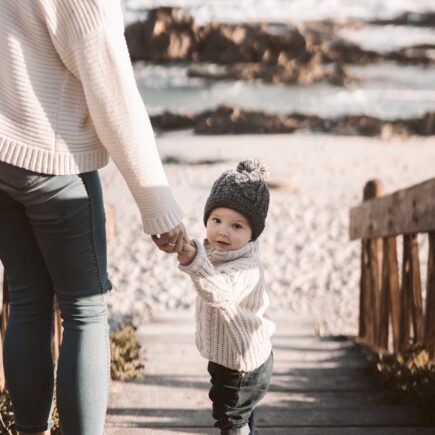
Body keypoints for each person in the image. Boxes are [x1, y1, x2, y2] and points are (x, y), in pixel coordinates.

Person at [0, 1, 186, 434]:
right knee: (85, 309)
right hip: (52, 158)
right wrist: (156, 203)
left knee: (28, 297)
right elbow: (113, 94)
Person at [177, 160, 275, 435]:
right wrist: (190, 248)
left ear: (252, 233)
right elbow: (204, 255)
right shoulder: (217, 249)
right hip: (231, 357)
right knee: (242, 411)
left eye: (237, 226)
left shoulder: (247, 267)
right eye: (216, 220)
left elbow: (218, 291)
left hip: (242, 366)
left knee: (230, 418)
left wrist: (191, 260)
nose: (223, 231)